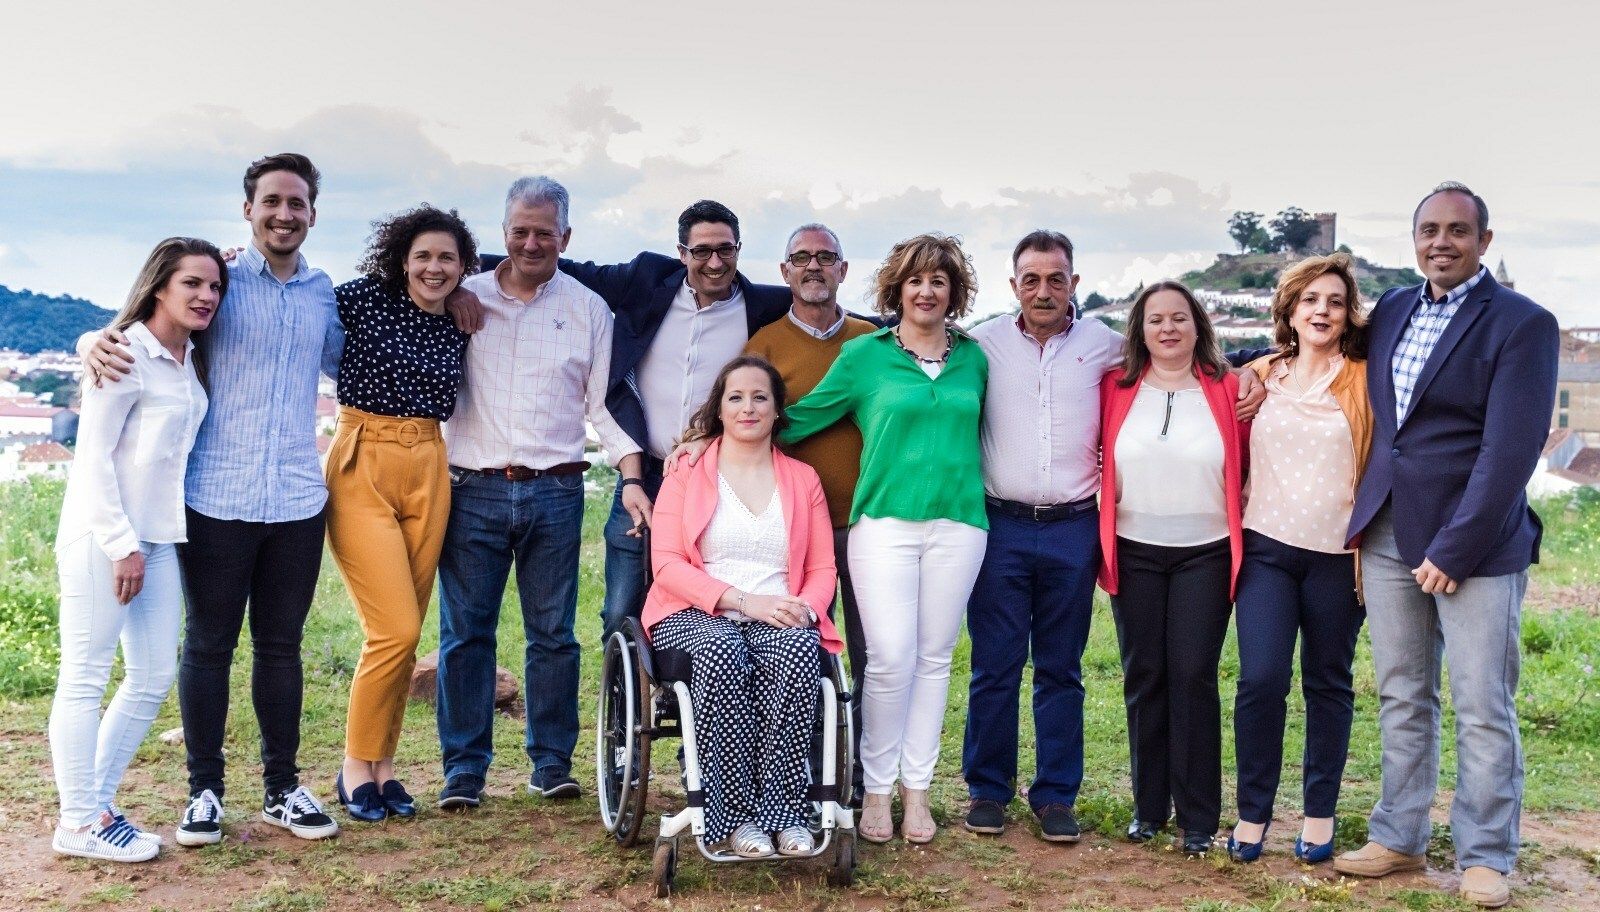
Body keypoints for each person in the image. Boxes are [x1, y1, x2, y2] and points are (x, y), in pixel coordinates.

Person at [81, 154, 345, 845]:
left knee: (281, 648)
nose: (284, 214)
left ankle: (283, 788)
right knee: (207, 648)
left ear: (313, 213)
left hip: (295, 498)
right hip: (214, 497)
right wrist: (90, 340)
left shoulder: (324, 295)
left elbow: (360, 366)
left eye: (297, 203)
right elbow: (147, 327)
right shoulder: (221, 284)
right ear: (249, 209)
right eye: (271, 202)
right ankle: (204, 791)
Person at [1333, 183, 1559, 910]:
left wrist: (1456, 549)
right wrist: (1247, 368)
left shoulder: (1524, 325)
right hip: (1389, 530)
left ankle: (1487, 854)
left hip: (1477, 544)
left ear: (1484, 242)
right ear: (1414, 239)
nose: (1442, 241)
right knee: (1402, 693)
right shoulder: (1396, 308)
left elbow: (1509, 450)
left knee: (1483, 701)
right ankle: (1399, 835)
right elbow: (1323, 352)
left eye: (1458, 231)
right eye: (1429, 229)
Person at [435, 177, 642, 810]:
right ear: (502, 234)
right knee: (465, 634)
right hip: (471, 489)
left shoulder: (587, 309)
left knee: (552, 633)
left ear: (566, 237)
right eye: (519, 231)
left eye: (544, 232)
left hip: (556, 491)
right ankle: (463, 770)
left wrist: (631, 477)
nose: (530, 242)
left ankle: (551, 762)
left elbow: (603, 406)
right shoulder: (460, 297)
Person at [781, 233, 988, 844]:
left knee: (934, 659)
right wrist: (716, 435)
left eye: (939, 281)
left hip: (960, 525)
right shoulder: (865, 356)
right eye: (915, 280)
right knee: (891, 658)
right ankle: (875, 790)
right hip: (883, 526)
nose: (926, 291)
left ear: (954, 293)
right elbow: (802, 417)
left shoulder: (974, 358)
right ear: (896, 289)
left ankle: (916, 792)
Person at [49, 238, 225, 862]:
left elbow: (214, 261)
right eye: (191, 285)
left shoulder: (185, 357)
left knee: (152, 676)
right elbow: (91, 459)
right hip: (107, 538)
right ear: (158, 287)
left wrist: (144, 545)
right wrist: (122, 545)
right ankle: (78, 819)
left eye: (213, 287)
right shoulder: (122, 354)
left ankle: (93, 806)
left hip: (158, 538)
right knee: (86, 675)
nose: (206, 296)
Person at [551, 201, 790, 639]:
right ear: (682, 253)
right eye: (701, 251)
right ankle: (624, 699)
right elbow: (562, 265)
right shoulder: (645, 281)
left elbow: (834, 314)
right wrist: (460, 266)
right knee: (620, 606)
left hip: (715, 479)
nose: (715, 263)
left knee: (703, 602)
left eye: (726, 250)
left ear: (739, 249)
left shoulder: (764, 306)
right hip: (641, 473)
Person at [643, 354, 843, 857]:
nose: (748, 407)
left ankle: (785, 813)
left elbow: (822, 569)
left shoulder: (802, 479)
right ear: (719, 408)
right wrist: (743, 602)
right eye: (736, 397)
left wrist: (804, 609)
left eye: (760, 398)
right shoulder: (687, 471)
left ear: (777, 411)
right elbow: (665, 563)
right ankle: (731, 818)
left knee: (798, 650)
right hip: (695, 612)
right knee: (722, 651)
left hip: (780, 609)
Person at [961, 230, 1124, 842]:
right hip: (999, 525)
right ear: (1013, 286)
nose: (1044, 290)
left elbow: (1177, 365)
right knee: (994, 665)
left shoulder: (1107, 346)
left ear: (1074, 282)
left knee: (1061, 667)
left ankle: (1056, 796)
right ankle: (988, 790)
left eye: (1056, 278)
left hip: (1072, 527)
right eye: (1031, 279)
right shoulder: (982, 345)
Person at [325, 205, 475, 821]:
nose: (433, 268)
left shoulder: (461, 317)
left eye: (447, 258)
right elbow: (280, 310)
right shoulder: (360, 299)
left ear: (464, 267)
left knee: (404, 628)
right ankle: (354, 766)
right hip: (364, 458)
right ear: (401, 259)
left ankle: (381, 768)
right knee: (396, 630)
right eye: (423, 256)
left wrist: (469, 288)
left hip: (431, 465)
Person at [1227, 253, 1371, 864]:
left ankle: (1318, 815)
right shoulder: (1259, 374)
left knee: (1328, 685)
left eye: (1334, 302)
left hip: (1339, 557)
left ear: (1347, 315)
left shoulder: (1365, 380)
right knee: (1260, 681)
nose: (1322, 311)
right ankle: (1253, 813)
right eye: (1311, 300)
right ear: (1289, 308)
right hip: (1267, 551)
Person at [1097, 280, 1248, 856]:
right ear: (1139, 329)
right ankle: (1148, 809)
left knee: (1192, 677)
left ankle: (1200, 816)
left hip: (1205, 552)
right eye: (1155, 319)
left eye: (1179, 318)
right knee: (1145, 676)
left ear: (1197, 326)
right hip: (1134, 549)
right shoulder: (1116, 387)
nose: (1167, 328)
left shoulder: (1231, 389)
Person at [742, 223, 875, 802]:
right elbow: (742, 421)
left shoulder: (874, 341)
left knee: (875, 653)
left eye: (826, 258)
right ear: (784, 272)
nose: (814, 267)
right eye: (802, 258)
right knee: (799, 649)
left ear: (844, 270)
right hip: (792, 530)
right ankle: (802, 772)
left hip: (871, 520)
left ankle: (865, 775)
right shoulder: (764, 344)